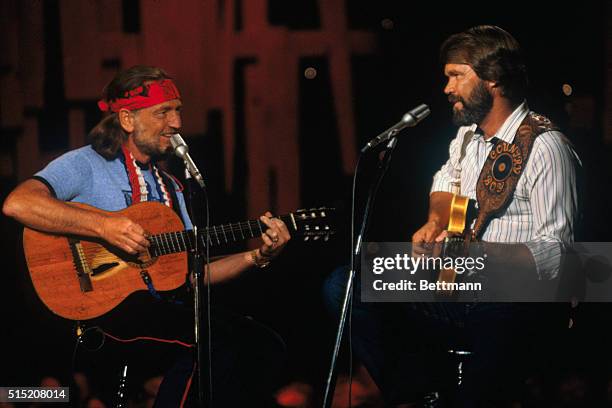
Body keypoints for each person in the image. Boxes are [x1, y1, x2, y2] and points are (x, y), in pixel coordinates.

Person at [2, 65, 291, 406]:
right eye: (163, 112)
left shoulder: (172, 187)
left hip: (153, 311)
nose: (177, 123)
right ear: (127, 119)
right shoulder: (85, 163)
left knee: (264, 344)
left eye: (178, 111)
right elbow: (17, 203)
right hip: (96, 312)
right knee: (214, 338)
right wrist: (104, 226)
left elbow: (189, 275)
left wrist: (255, 256)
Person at [324, 25, 580, 407]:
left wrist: (486, 259)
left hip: (516, 302)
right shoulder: (466, 140)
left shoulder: (546, 147)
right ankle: (419, 393)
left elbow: (558, 253)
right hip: (458, 291)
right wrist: (434, 224)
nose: (447, 88)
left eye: (456, 76)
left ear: (493, 79)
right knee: (346, 285)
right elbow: (446, 185)